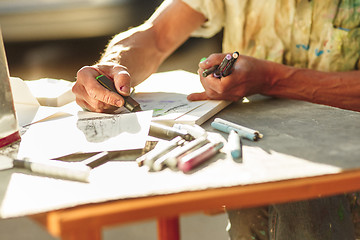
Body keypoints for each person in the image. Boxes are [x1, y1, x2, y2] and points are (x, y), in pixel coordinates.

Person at [72, 0, 360, 239]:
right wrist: (113, 67)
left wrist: (272, 80)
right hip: (256, 153)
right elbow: (157, 34)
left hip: (344, 162)